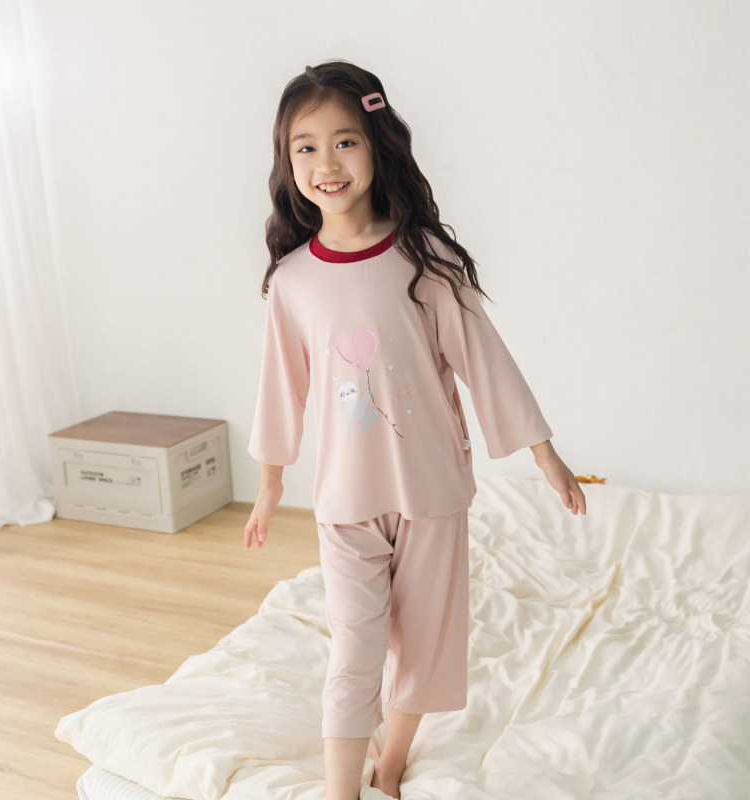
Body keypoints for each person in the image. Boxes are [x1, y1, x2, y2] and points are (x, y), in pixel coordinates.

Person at [244, 59, 587, 800]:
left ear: (377, 146)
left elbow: (484, 360)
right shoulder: (293, 281)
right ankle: (342, 792)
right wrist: (270, 483)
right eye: (306, 147)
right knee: (354, 652)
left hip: (431, 491)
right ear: (287, 161)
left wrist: (545, 454)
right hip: (345, 502)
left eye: (345, 141)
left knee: (424, 647)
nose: (327, 163)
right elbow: (280, 389)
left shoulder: (424, 261)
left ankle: (392, 762)